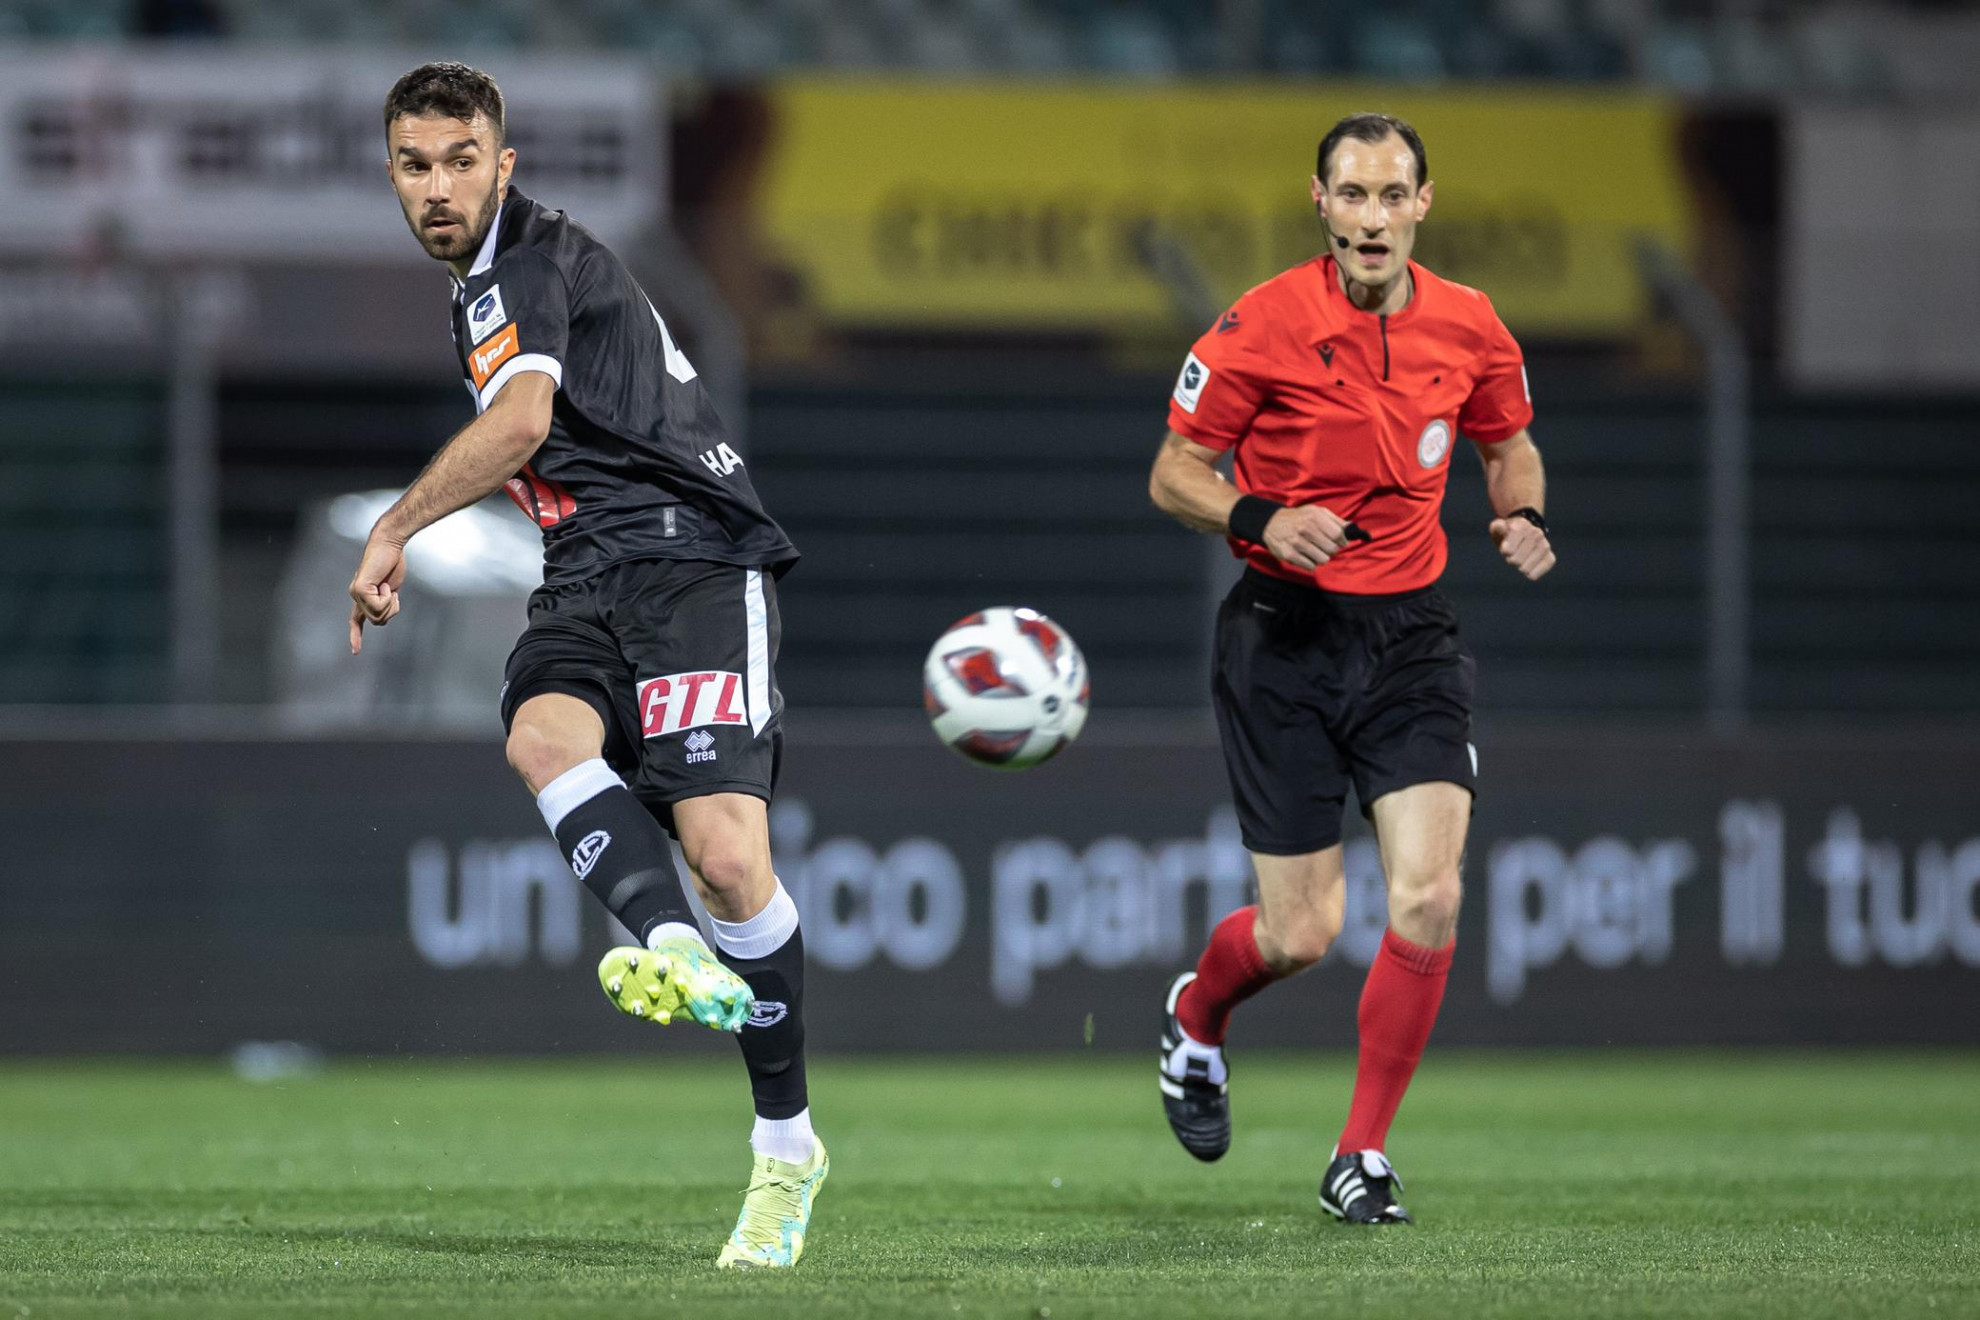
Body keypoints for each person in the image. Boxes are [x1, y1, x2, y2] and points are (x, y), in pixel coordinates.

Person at [347, 62, 825, 1268]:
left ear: (502, 166)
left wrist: (395, 526)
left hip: (696, 561)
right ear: (393, 175)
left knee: (729, 858)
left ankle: (787, 1149)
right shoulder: (484, 283)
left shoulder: (522, 261)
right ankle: (667, 945)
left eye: (463, 160)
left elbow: (516, 423)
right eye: (416, 164)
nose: (440, 185)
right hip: (581, 564)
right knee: (538, 736)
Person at [1147, 112, 1556, 1224]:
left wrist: (1516, 510)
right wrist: (1258, 514)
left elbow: (1506, 438)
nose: (1373, 219)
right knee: (1304, 935)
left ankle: (1360, 1155)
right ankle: (1199, 1015)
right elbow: (1174, 473)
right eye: (1353, 195)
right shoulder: (1259, 327)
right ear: (1319, 204)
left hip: (1411, 637)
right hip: (1282, 639)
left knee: (1429, 894)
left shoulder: (1472, 325)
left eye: (1392, 195)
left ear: (1423, 203)